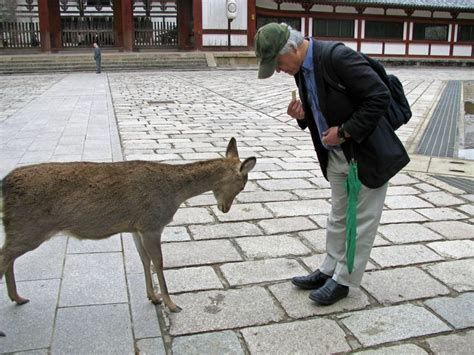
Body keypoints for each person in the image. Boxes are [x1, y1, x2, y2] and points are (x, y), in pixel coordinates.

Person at [254, 23, 409, 305]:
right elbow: (321, 106)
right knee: (338, 215)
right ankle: (329, 268)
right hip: (336, 155)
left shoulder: (338, 57)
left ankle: (345, 280)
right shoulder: (301, 68)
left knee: (360, 221)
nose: (278, 69)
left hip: (366, 154)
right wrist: (302, 116)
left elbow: (378, 96)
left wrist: (345, 131)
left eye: (277, 62)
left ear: (290, 48)